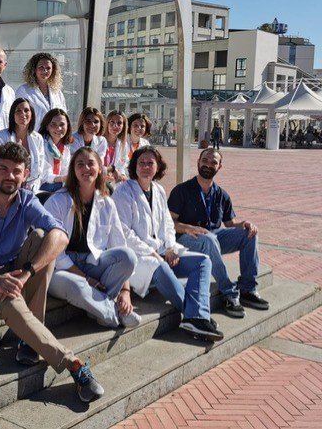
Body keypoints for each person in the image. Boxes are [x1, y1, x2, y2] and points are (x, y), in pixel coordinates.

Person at [0, 142, 105, 403]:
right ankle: (73, 364)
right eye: (3, 169)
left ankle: (28, 341)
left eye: (17, 171)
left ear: (25, 175)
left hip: (14, 274)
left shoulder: (26, 200)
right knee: (10, 298)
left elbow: (60, 236)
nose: (10, 176)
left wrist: (25, 274)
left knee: (44, 238)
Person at [112, 146, 223, 341]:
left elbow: (168, 224)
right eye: (141, 163)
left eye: (150, 163)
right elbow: (123, 233)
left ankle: (197, 316)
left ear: (158, 167)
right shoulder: (123, 191)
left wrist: (170, 247)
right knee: (159, 265)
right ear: (134, 166)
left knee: (203, 261)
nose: (146, 166)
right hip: (137, 257)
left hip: (163, 251)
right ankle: (195, 316)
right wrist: (153, 252)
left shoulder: (159, 190)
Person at [44, 147, 140, 328]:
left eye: (91, 163)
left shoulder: (107, 203)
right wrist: (86, 278)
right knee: (78, 286)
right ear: (73, 170)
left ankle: (99, 308)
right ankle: (114, 313)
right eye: (80, 164)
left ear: (100, 168)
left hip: (90, 262)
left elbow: (118, 243)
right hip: (59, 269)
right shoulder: (57, 201)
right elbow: (54, 253)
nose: (86, 168)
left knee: (128, 257)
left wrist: (126, 291)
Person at [168, 148, 269, 318]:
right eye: (205, 160)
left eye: (213, 162)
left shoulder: (222, 194)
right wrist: (188, 228)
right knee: (208, 239)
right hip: (186, 239)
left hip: (213, 237)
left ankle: (247, 288)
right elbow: (169, 223)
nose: (208, 164)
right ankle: (228, 293)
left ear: (219, 166)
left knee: (249, 235)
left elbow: (230, 224)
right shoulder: (182, 190)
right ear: (198, 162)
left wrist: (245, 224)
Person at [0, 98, 46, 193]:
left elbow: (40, 169)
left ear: (32, 115)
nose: (23, 114)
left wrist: (32, 187)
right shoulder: (1, 137)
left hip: (32, 188)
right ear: (12, 115)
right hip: (8, 185)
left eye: (26, 110)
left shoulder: (38, 138)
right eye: (18, 111)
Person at [15, 52, 67, 128]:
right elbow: (18, 118)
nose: (45, 71)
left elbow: (64, 116)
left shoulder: (57, 92)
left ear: (53, 70)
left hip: (55, 133)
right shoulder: (24, 91)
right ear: (34, 69)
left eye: (48, 68)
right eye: (41, 67)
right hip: (33, 134)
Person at [37, 108, 73, 193]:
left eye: (62, 125)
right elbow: (45, 175)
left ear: (67, 126)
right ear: (47, 126)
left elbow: (65, 172)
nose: (58, 128)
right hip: (42, 186)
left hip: (58, 185)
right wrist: (64, 179)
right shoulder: (41, 144)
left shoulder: (65, 149)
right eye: (53, 125)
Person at [103, 110, 129, 184]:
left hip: (113, 184)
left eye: (119, 123)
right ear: (107, 123)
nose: (115, 126)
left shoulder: (123, 145)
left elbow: (123, 166)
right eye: (112, 122)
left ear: (123, 126)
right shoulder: (98, 141)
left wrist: (122, 175)